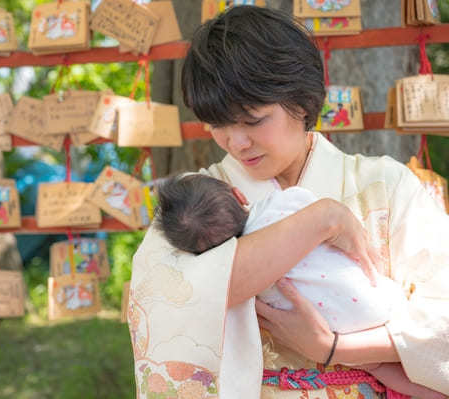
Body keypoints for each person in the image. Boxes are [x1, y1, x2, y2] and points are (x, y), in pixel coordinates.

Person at [127, 5, 449, 399]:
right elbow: (165, 297)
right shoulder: (199, 197)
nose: (236, 142)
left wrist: (332, 348)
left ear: (301, 102)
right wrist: (320, 220)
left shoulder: (384, 183)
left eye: (253, 119)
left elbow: (441, 317)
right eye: (218, 125)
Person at [153, 173, 443, 398]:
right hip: (383, 298)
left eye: (253, 121)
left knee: (383, 370)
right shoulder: (283, 202)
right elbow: (309, 205)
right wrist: (325, 217)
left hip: (340, 328)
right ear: (237, 193)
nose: (238, 141)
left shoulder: (246, 277)